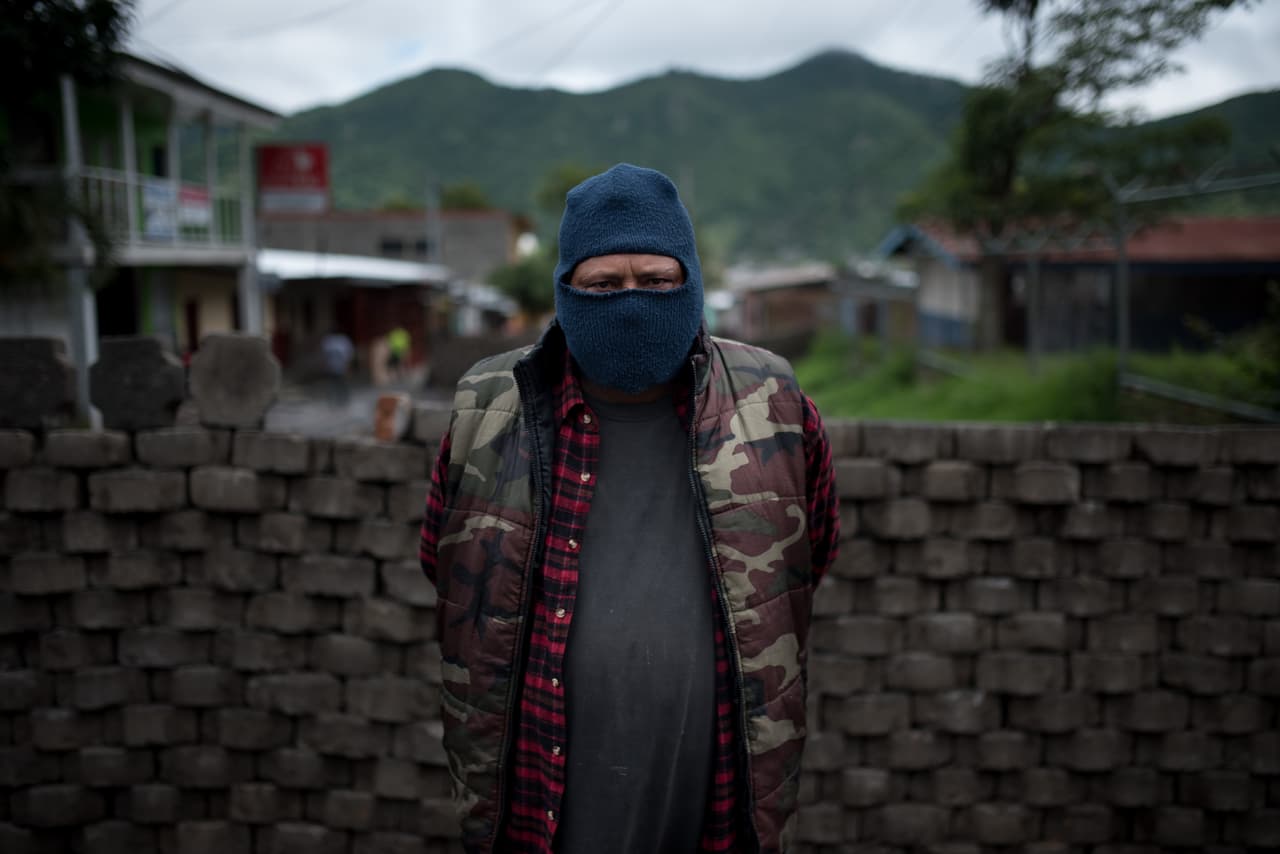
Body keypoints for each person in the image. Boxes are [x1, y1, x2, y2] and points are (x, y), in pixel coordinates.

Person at [419, 163, 838, 854]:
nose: (632, 302)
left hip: (723, 807)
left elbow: (805, 559)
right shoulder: (487, 406)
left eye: (656, 279)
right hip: (534, 810)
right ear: (566, 290)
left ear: (691, 281)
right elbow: (448, 568)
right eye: (603, 285)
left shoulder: (774, 404)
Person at [319, 328, 353, 407]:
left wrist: (324, 366)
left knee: (333, 385)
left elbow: (324, 356)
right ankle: (343, 401)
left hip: (331, 367)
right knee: (341, 385)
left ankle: (333, 402)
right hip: (340, 367)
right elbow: (348, 355)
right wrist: (348, 367)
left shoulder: (328, 341)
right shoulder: (343, 340)